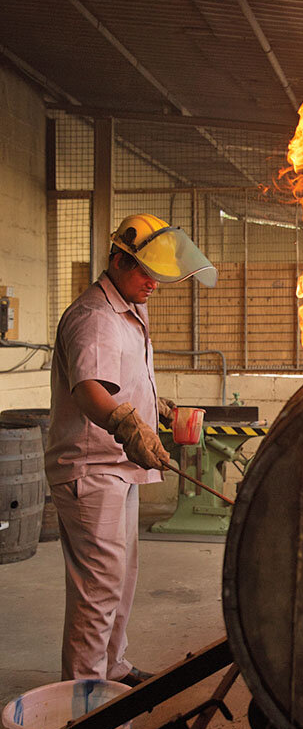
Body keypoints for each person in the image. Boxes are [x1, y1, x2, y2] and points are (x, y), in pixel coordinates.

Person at [45, 214, 217, 686]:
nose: (154, 284)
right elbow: (89, 390)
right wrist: (126, 421)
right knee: (98, 588)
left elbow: (120, 377)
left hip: (118, 465)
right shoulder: (93, 317)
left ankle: (112, 668)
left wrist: (155, 407)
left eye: (159, 275)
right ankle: (82, 701)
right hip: (91, 468)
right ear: (118, 260)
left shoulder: (130, 309)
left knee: (120, 581)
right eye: (146, 272)